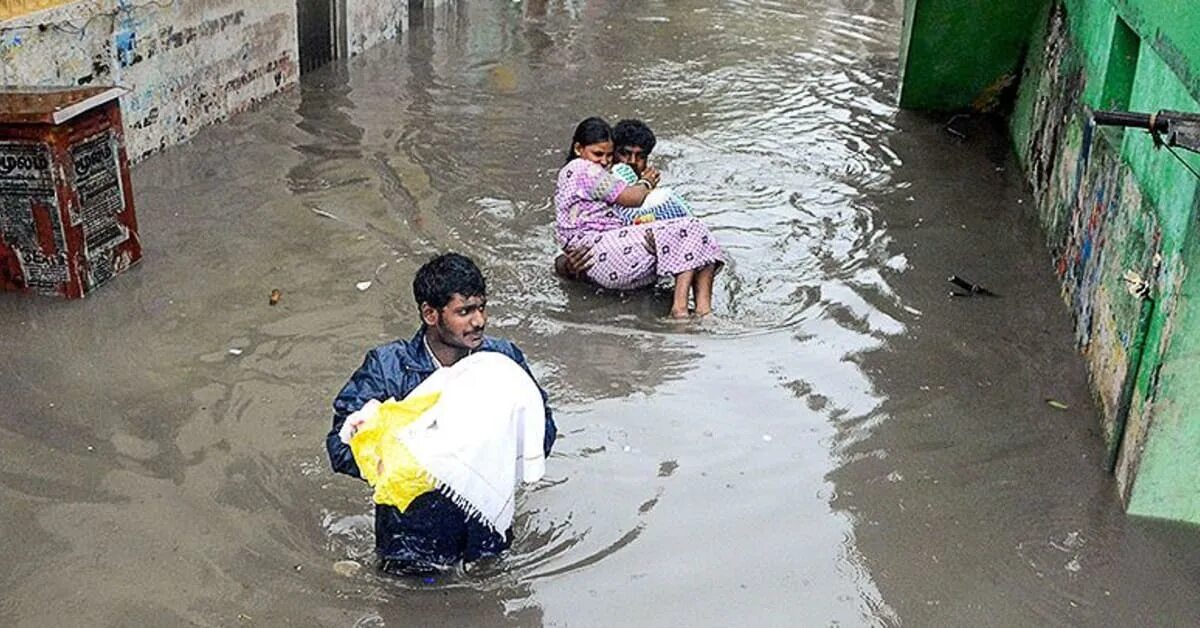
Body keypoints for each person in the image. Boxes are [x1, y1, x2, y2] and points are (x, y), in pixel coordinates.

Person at [325, 252, 557, 575]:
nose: (479, 321)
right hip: (411, 542)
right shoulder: (388, 368)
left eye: (481, 307)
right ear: (430, 314)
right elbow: (340, 446)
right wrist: (406, 458)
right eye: (464, 311)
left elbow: (542, 430)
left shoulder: (501, 361)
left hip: (485, 535)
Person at [553, 117, 723, 318]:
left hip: (645, 297)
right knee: (690, 229)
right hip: (604, 294)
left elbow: (695, 245)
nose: (631, 162)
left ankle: (704, 313)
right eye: (623, 154)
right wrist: (568, 266)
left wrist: (662, 241)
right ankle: (681, 313)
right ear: (579, 149)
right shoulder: (587, 177)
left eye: (639, 156)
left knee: (699, 234)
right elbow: (562, 253)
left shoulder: (657, 203)